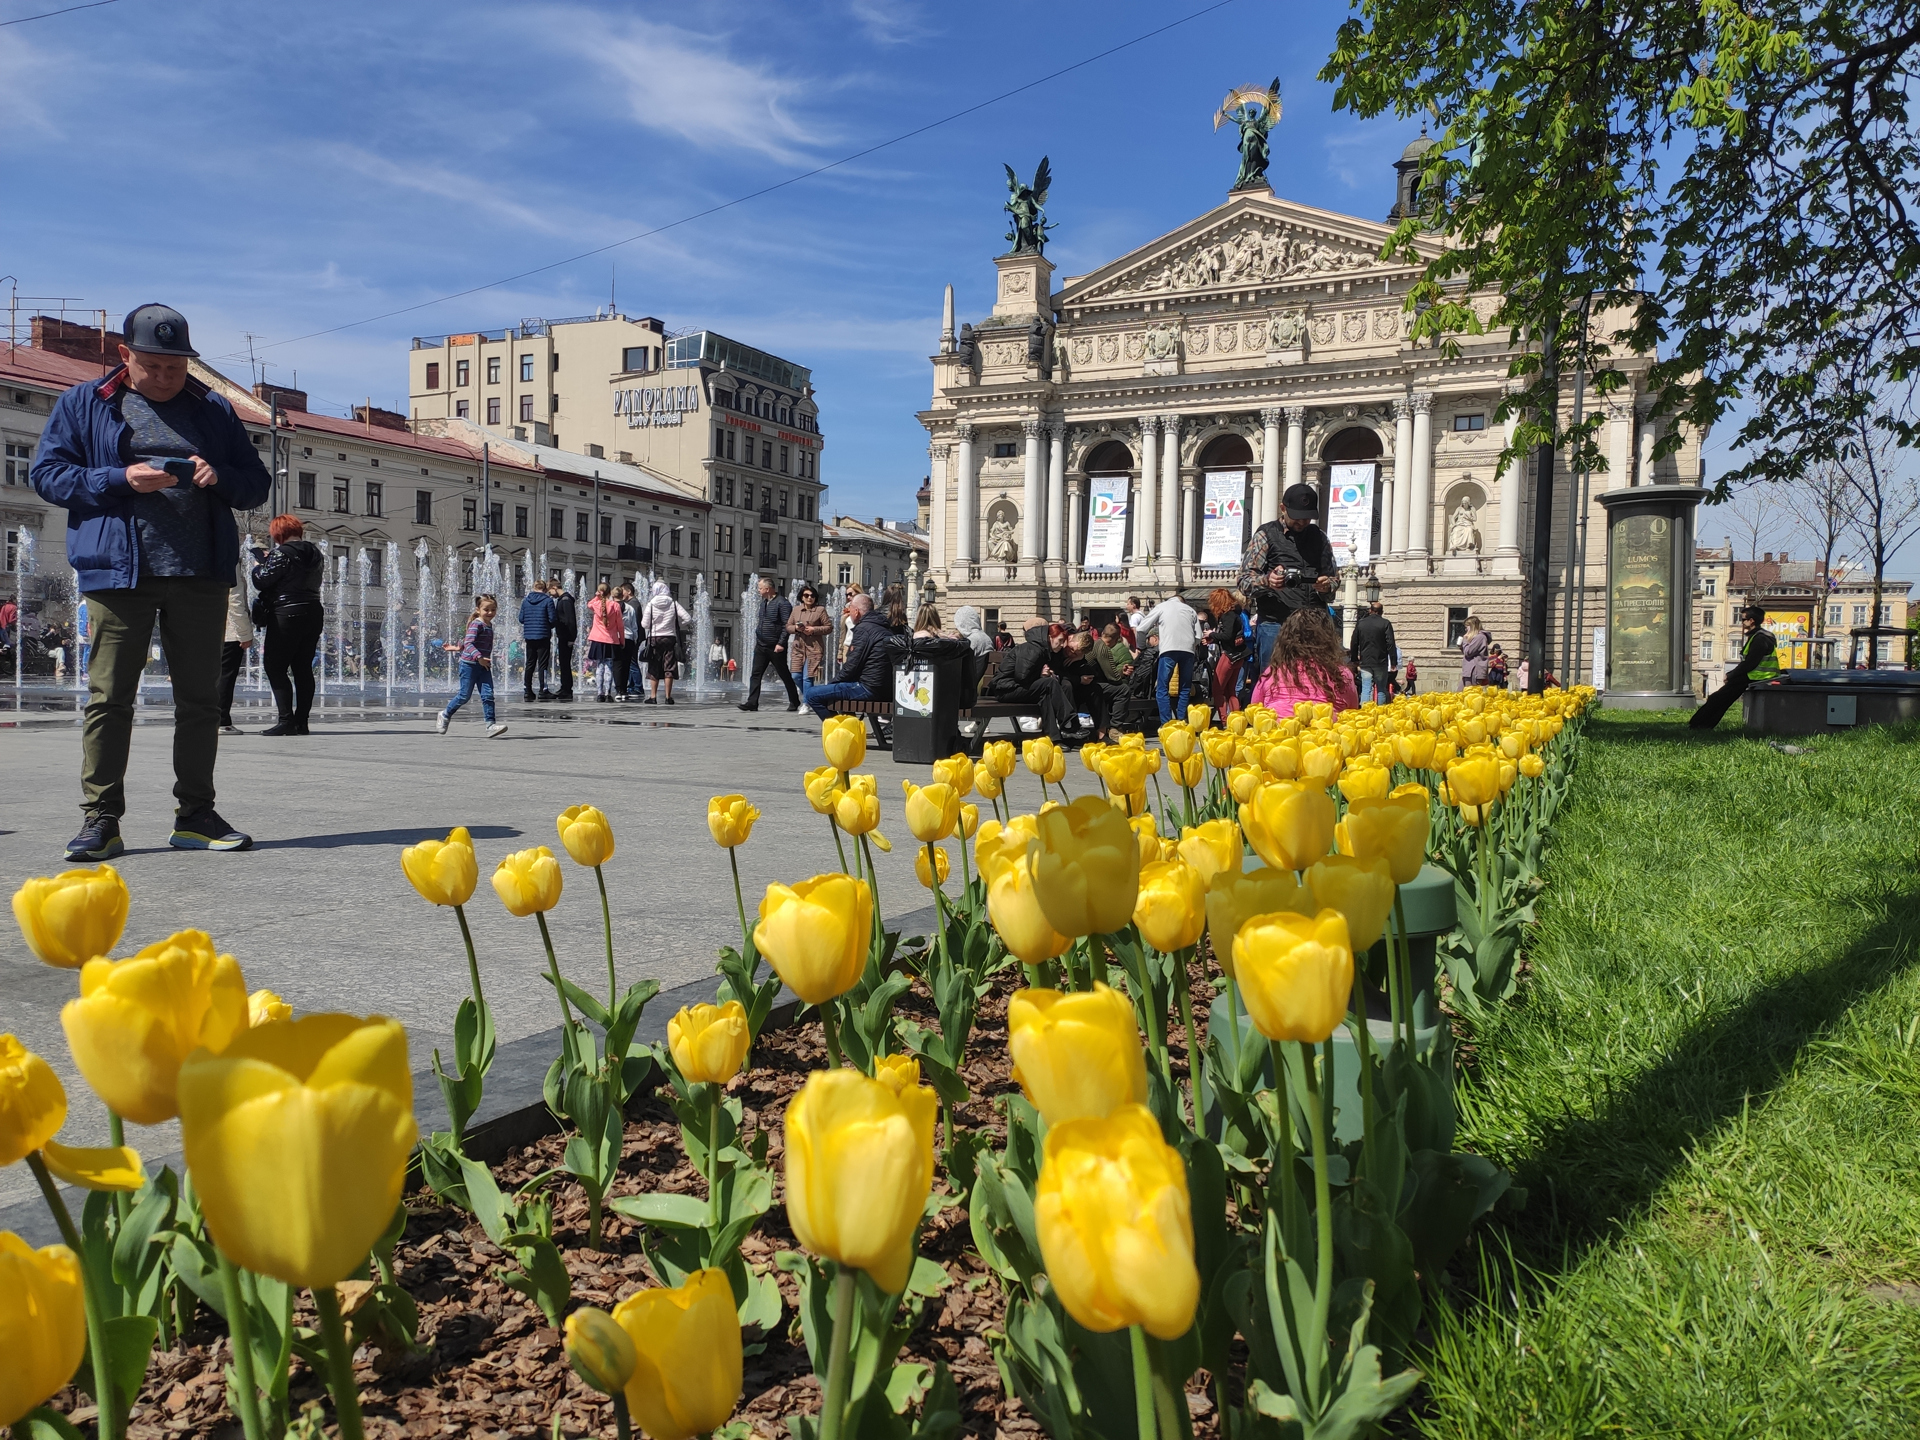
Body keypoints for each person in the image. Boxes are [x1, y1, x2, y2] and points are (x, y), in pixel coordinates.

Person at [32, 304, 271, 857]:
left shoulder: (213, 409)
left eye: (176, 367)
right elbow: (48, 474)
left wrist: (220, 477)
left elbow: (255, 484)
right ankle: (101, 820)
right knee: (110, 698)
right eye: (154, 366)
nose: (165, 377)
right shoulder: (85, 403)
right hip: (119, 575)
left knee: (200, 702)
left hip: (200, 573)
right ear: (125, 355)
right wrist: (120, 478)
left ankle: (196, 816)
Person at [1239, 481, 1339, 672]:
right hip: (1275, 623)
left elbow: (1333, 579)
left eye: (1307, 518)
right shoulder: (1265, 535)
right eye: (1297, 517)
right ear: (1282, 508)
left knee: (1317, 683)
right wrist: (1267, 581)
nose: (1302, 522)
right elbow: (1244, 581)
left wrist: (1327, 586)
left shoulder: (1320, 538)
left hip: (1314, 624)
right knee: (1274, 682)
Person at [1250, 608, 1360, 717]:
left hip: (1279, 730)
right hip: (1325, 731)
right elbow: (1352, 712)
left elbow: (1255, 709)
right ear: (1329, 639)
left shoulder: (1272, 673)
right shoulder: (1341, 674)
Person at [805, 592, 899, 718]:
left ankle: (838, 730)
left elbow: (852, 665)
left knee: (812, 694)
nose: (848, 613)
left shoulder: (864, 629)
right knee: (839, 693)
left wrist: (832, 683)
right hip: (883, 689)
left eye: (850, 610)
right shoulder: (881, 627)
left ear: (856, 611)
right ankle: (849, 728)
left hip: (868, 689)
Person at [986, 615, 1077, 739]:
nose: (1062, 645)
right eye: (1060, 640)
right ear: (1050, 637)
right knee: (1049, 683)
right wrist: (1040, 675)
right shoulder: (1034, 648)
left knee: (1045, 694)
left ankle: (1053, 738)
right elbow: (1022, 677)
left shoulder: (1043, 649)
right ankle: (1069, 722)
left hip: (1014, 687)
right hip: (1006, 689)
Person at [1690, 605, 1776, 729]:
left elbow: (1750, 664)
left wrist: (1730, 675)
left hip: (1756, 676)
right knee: (1720, 698)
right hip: (1756, 675)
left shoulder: (1759, 639)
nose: (1741, 623)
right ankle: (1700, 724)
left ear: (1751, 621)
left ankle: (1700, 725)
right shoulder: (1761, 636)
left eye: (1743, 619)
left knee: (1718, 698)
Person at [436, 593, 508, 737]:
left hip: (483, 666)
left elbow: (468, 642)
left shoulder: (489, 625)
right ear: (478, 610)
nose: (490, 613)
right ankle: (445, 714)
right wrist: (479, 657)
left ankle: (490, 725)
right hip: (469, 665)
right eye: (486, 609)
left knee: (488, 695)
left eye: (493, 610)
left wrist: (458, 648)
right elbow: (470, 642)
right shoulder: (477, 624)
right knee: (464, 696)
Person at [1134, 590, 1201, 724]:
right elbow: (1198, 636)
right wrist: (1192, 646)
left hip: (1168, 649)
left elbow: (1141, 628)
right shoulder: (1190, 610)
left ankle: (1166, 722)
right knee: (1185, 687)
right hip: (1188, 650)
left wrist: (1141, 647)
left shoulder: (1162, 607)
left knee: (1162, 687)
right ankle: (1181, 720)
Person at [739, 577, 799, 712]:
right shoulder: (763, 603)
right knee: (755, 674)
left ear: (767, 589)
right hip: (761, 645)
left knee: (783, 674)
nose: (758, 591)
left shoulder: (782, 603)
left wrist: (781, 643)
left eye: (760, 588)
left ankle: (794, 700)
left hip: (775, 646)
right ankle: (752, 702)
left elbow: (787, 626)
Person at [215, 557, 252, 736]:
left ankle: (204, 718)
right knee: (225, 676)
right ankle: (222, 720)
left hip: (204, 629)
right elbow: (235, 598)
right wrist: (244, 632)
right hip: (229, 630)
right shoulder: (228, 560)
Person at [641, 580, 690, 705]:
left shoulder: (651, 604)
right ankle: (668, 697)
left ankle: (653, 697)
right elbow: (687, 618)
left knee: (654, 667)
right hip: (669, 638)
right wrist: (676, 624)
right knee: (669, 667)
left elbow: (644, 624)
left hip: (654, 639)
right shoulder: (673, 604)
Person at [1204, 587, 1251, 714]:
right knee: (1231, 690)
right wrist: (1213, 639)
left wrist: (1211, 634)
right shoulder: (1236, 613)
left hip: (1230, 655)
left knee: (1218, 689)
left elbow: (1227, 636)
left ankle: (1224, 721)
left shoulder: (1227, 615)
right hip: (1239, 655)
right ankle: (1236, 719)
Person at [1348, 600, 1397, 704]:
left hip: (1365, 660)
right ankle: (1380, 712)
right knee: (1381, 689)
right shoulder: (1385, 623)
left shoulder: (1361, 623)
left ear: (1370, 610)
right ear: (1381, 612)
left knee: (1366, 688)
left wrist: (1354, 659)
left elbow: (1354, 642)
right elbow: (1391, 643)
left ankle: (1365, 713)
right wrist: (1393, 661)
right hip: (1380, 660)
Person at [788, 584, 832, 688]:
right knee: (795, 676)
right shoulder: (796, 610)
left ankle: (807, 703)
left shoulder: (820, 610)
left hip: (814, 648)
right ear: (802, 597)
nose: (809, 598)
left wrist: (814, 630)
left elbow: (829, 628)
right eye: (806, 595)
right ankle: (811, 698)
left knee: (807, 677)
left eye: (812, 596)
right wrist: (796, 628)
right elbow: (788, 626)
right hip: (798, 648)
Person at [519, 580, 556, 701]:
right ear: (545, 589)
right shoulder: (548, 601)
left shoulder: (525, 601)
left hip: (529, 636)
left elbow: (521, 619)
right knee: (543, 664)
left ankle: (527, 690)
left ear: (533, 587)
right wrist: (546, 626)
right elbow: (552, 619)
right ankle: (543, 690)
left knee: (529, 664)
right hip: (543, 635)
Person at [586, 581, 622, 701]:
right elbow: (620, 625)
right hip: (611, 640)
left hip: (597, 640)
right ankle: (608, 693)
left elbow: (589, 604)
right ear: (609, 592)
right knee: (609, 667)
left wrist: (597, 595)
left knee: (599, 666)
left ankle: (599, 693)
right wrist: (621, 640)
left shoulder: (596, 604)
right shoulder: (615, 605)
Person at [551, 578, 578, 701]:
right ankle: (564, 687)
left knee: (565, 663)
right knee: (563, 663)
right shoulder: (562, 600)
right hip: (563, 635)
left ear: (555, 588)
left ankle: (567, 689)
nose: (550, 594)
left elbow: (570, 620)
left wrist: (572, 638)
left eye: (550, 591)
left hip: (567, 637)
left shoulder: (566, 600)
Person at [1459, 615, 1492, 687]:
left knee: (1470, 695)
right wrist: (1461, 646)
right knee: (1459, 694)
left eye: (1467, 627)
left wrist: (1465, 640)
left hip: (1474, 671)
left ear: (1472, 626)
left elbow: (1468, 652)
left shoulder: (1480, 637)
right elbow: (1467, 651)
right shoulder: (1476, 637)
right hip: (1469, 671)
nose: (1466, 629)